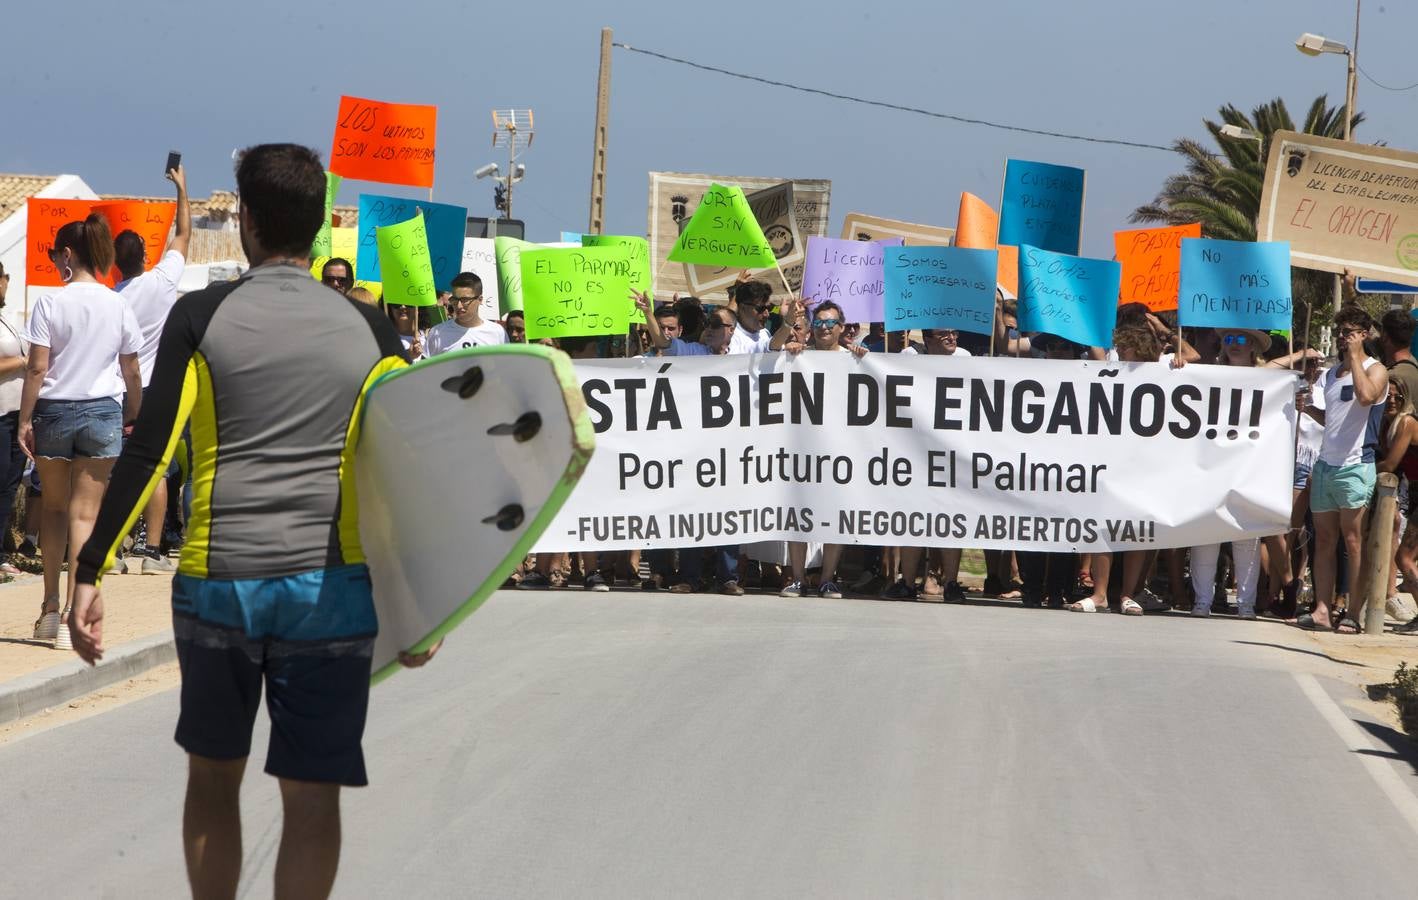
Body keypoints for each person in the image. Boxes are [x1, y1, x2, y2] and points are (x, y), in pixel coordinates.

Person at [67, 144, 436, 900]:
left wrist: (89, 570)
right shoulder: (372, 333)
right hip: (329, 592)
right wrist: (423, 601)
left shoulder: (201, 316)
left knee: (213, 780)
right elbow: (410, 471)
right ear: (313, 227)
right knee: (311, 796)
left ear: (249, 222)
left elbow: (149, 448)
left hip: (218, 585)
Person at [20, 212, 143, 648]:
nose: (55, 263)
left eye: (56, 256)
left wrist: (23, 420)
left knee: (53, 509)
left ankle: (50, 607)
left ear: (68, 254)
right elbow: (131, 368)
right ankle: (77, 610)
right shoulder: (118, 303)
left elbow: (37, 367)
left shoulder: (50, 303)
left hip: (53, 411)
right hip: (102, 412)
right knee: (86, 515)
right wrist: (135, 411)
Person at [114, 161, 192, 575]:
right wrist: (181, 188)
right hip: (158, 390)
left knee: (115, 468)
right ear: (146, 257)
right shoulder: (161, 282)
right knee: (156, 468)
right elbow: (182, 234)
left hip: (117, 391)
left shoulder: (111, 297)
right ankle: (153, 549)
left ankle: (115, 544)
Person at [1298, 306, 1388, 633]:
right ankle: (1322, 608)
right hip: (1326, 464)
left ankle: (1352, 611)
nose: (1343, 337)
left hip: (1355, 465)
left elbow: (1366, 397)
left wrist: (1354, 358)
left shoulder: (1375, 370)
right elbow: (1331, 418)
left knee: (1353, 541)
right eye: (1340, 332)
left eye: (1350, 332)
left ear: (1364, 335)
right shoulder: (1331, 373)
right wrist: (1307, 408)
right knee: (1322, 539)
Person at [778, 300, 867, 599]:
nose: (824, 328)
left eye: (831, 323)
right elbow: (770, 352)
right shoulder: (799, 356)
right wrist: (790, 349)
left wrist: (863, 359)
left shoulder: (854, 359)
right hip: (802, 446)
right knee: (797, 511)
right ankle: (799, 578)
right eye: (819, 323)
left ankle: (828, 578)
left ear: (842, 328)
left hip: (840, 448)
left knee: (835, 513)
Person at [0, 260, 27, 576]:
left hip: (16, 413)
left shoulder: (8, 320)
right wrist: (22, 360)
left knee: (9, 484)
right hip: (2, 415)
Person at [424, 272, 507, 355]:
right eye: (455, 300)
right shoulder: (437, 333)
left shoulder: (497, 332)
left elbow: (507, 366)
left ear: (480, 299)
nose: (459, 306)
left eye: (465, 300)